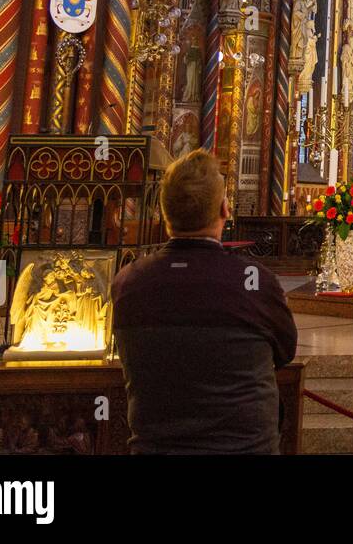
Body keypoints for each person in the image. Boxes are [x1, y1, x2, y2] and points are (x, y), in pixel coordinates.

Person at [111, 149, 297, 454]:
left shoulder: (128, 282)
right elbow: (284, 351)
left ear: (164, 214)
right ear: (224, 209)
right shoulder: (255, 282)